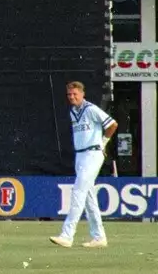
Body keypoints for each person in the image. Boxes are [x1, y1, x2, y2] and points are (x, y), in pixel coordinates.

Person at [49, 81, 116, 249]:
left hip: (92, 153)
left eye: (75, 94)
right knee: (88, 197)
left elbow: (112, 124)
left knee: (79, 191)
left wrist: (103, 143)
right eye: (69, 95)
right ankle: (99, 236)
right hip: (80, 155)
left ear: (82, 94)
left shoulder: (91, 109)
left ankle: (67, 235)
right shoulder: (73, 112)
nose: (72, 97)